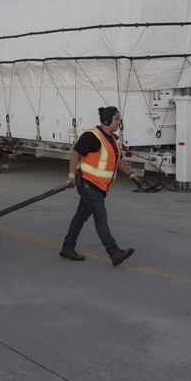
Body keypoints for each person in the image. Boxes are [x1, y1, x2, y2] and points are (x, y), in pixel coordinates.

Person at [60, 106, 140, 266]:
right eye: (117, 119)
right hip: (89, 184)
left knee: (81, 216)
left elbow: (118, 160)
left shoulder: (111, 139)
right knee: (100, 216)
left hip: (99, 186)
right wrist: (70, 176)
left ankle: (67, 248)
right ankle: (114, 252)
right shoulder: (92, 136)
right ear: (107, 120)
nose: (119, 122)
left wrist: (131, 175)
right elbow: (76, 153)